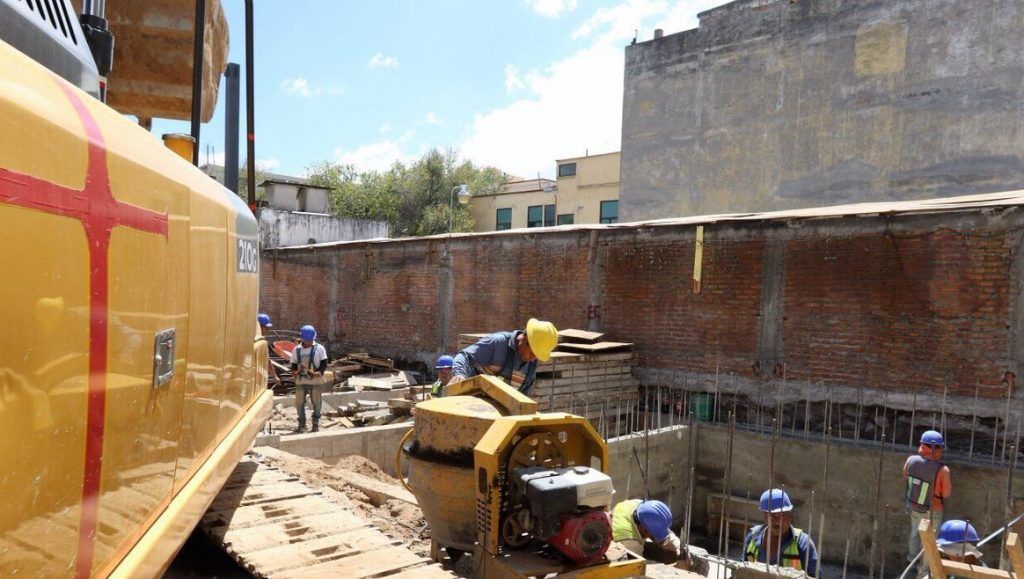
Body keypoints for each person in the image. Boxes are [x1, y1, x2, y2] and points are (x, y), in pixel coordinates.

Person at [449, 318, 558, 396]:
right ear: (524, 339)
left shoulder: (530, 368)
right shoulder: (498, 344)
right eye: (533, 353)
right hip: (470, 403)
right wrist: (459, 374)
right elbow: (465, 356)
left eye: (537, 356)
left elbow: (522, 398)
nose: (533, 359)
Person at [743, 489, 819, 577]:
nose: (778, 521)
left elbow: (815, 577)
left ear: (790, 515)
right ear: (765, 516)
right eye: (773, 516)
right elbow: (742, 570)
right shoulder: (752, 537)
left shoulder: (803, 543)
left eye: (783, 515)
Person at [904, 430, 952, 564]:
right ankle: (925, 569)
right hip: (933, 511)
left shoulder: (910, 461)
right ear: (936, 448)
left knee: (914, 534)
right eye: (940, 447)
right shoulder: (943, 470)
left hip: (914, 506)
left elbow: (906, 478)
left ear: (921, 445)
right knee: (930, 540)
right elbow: (946, 494)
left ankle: (911, 561)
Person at [611, 499, 682, 562]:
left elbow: (663, 529)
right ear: (643, 529)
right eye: (654, 536)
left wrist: (678, 547)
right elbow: (639, 568)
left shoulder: (641, 506)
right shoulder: (630, 542)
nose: (657, 540)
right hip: (614, 543)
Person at [290, 324, 328, 433]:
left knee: (317, 401)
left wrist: (318, 373)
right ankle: (302, 425)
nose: (308, 342)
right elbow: (293, 365)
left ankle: (315, 424)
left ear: (313, 338)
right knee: (299, 402)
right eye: (306, 340)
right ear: (303, 339)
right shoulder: (297, 350)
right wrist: (296, 372)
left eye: (310, 340)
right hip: (301, 380)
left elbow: (324, 364)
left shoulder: (319, 348)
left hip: (315, 379)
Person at [257, 313, 281, 387]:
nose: (268, 330)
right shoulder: (261, 342)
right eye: (266, 327)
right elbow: (267, 361)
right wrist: (274, 376)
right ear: (259, 327)